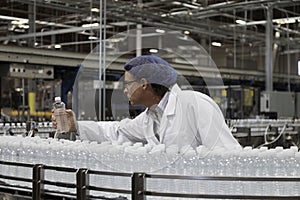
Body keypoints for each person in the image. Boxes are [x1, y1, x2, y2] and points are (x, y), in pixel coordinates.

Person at [53, 55, 240, 150]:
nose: (125, 89)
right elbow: (118, 132)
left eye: (127, 84)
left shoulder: (194, 103)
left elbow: (226, 153)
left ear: (143, 84)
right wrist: (76, 126)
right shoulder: (151, 116)